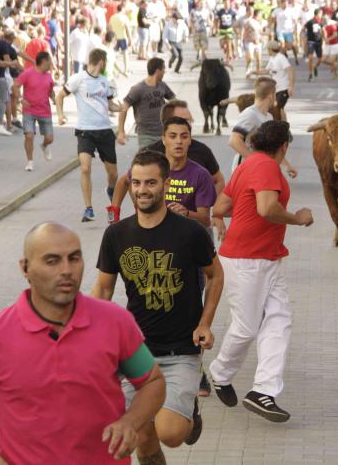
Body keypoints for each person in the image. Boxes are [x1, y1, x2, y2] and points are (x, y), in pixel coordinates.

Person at [0, 222, 166, 464]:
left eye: (74, 258)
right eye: (52, 261)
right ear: (25, 268)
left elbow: (152, 382)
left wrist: (131, 422)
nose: (66, 270)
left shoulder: (115, 322)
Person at [92, 150, 225, 464]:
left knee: (170, 433)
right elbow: (103, 289)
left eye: (150, 182)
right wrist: (90, 336)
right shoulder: (116, 235)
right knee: (135, 431)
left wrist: (205, 323)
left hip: (182, 350)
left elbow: (216, 275)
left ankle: (188, 407)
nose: (142, 190)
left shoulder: (190, 233)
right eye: (136, 183)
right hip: (136, 353)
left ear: (166, 183)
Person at [208, 120, 313, 422]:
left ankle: (263, 392)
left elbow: (223, 204)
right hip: (246, 259)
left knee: (279, 321)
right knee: (246, 326)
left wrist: (236, 209)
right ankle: (219, 372)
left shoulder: (247, 163)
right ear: (284, 146)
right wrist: (298, 218)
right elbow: (267, 209)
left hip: (267, 257)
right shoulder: (266, 166)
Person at [109, 102, 224, 221]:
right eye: (173, 136)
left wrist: (217, 214)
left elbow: (218, 181)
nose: (179, 141)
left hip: (191, 230)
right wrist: (115, 215)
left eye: (184, 136)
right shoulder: (151, 154)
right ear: (164, 137)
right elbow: (125, 181)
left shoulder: (201, 157)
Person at [56, 48, 122, 222]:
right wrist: (61, 115)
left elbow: (110, 105)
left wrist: (121, 107)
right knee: (85, 168)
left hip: (105, 131)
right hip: (85, 131)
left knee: (113, 174)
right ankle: (88, 208)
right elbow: (59, 96)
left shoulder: (104, 82)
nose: (105, 65)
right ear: (101, 62)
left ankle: (110, 190)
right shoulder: (78, 78)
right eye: (105, 62)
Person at [228, 77, 296, 178]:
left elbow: (272, 148)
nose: (276, 97)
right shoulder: (249, 114)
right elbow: (234, 141)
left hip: (260, 170)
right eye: (275, 94)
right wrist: (256, 161)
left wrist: (287, 166)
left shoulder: (268, 116)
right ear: (270, 96)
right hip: (245, 170)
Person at [118, 57, 176, 151]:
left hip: (164, 134)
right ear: (158, 71)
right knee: (148, 163)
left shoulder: (162, 86)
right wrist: (121, 131)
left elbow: (174, 101)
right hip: (146, 135)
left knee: (165, 163)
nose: (164, 72)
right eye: (163, 69)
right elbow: (123, 108)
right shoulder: (138, 89)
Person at [12, 51, 56, 172]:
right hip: (29, 110)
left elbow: (51, 90)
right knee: (29, 136)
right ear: (44, 61)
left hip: (44, 110)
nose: (51, 64)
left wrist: (53, 98)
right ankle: (30, 161)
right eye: (49, 61)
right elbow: (15, 86)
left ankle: (44, 145)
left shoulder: (48, 75)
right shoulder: (28, 73)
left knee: (50, 138)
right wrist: (21, 99)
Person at [0, 25, 20, 136]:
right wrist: (12, 64)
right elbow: (5, 61)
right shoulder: (3, 44)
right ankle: (0, 123)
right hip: (1, 76)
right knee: (4, 100)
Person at [253, 41, 294, 118]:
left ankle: (284, 127)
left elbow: (290, 70)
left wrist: (290, 86)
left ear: (270, 49)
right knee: (278, 108)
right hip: (276, 89)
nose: (267, 51)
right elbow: (267, 70)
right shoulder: (272, 58)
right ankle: (282, 126)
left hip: (283, 88)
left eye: (267, 49)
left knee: (278, 108)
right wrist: (254, 72)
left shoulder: (281, 58)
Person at [271, 0, 299, 65]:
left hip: (289, 31)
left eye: (286, 3)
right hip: (280, 31)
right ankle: (283, 59)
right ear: (281, 4)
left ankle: (296, 57)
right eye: (283, 3)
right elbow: (272, 19)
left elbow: (295, 21)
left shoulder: (291, 10)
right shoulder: (276, 11)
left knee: (291, 46)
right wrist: (271, 28)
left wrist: (295, 29)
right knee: (282, 44)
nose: (285, 5)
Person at [109, 3, 132, 76]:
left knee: (114, 54)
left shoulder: (112, 17)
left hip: (115, 38)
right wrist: (130, 38)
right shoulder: (124, 17)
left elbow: (110, 28)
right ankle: (126, 70)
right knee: (125, 54)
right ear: (122, 9)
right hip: (123, 37)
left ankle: (114, 70)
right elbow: (127, 28)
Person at [303, 8, 324, 82]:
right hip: (311, 41)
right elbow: (303, 28)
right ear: (317, 14)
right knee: (311, 58)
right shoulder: (310, 22)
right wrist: (305, 37)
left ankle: (315, 67)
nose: (322, 15)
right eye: (321, 13)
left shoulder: (320, 22)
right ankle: (310, 74)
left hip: (318, 42)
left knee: (320, 59)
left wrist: (324, 40)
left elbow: (323, 31)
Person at [215, 0, 238, 64]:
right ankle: (229, 53)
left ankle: (229, 58)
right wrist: (216, 28)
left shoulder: (232, 12)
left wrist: (236, 29)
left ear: (229, 4)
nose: (226, 5)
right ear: (224, 4)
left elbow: (235, 21)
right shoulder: (220, 12)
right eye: (225, 4)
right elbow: (216, 20)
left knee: (229, 44)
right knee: (222, 45)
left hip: (229, 30)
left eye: (228, 4)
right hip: (222, 30)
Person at [322, 12, 338, 79]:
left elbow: (335, 35)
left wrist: (328, 39)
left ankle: (335, 74)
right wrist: (324, 40)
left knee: (332, 61)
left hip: (334, 45)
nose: (324, 20)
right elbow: (323, 36)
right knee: (323, 60)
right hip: (327, 45)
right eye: (323, 19)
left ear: (329, 19)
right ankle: (334, 65)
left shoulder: (332, 25)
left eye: (326, 19)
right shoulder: (324, 26)